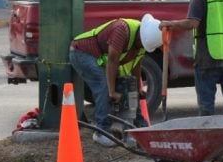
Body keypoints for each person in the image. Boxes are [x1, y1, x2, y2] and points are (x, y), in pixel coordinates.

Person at [68, 14, 163, 147]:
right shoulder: (121, 30)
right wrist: (112, 91)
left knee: (129, 84)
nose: (142, 46)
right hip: (81, 52)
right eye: (142, 44)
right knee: (104, 84)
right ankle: (101, 132)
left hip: (100, 58)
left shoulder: (141, 43)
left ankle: (139, 128)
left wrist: (138, 89)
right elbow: (112, 60)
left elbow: (136, 66)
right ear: (141, 36)